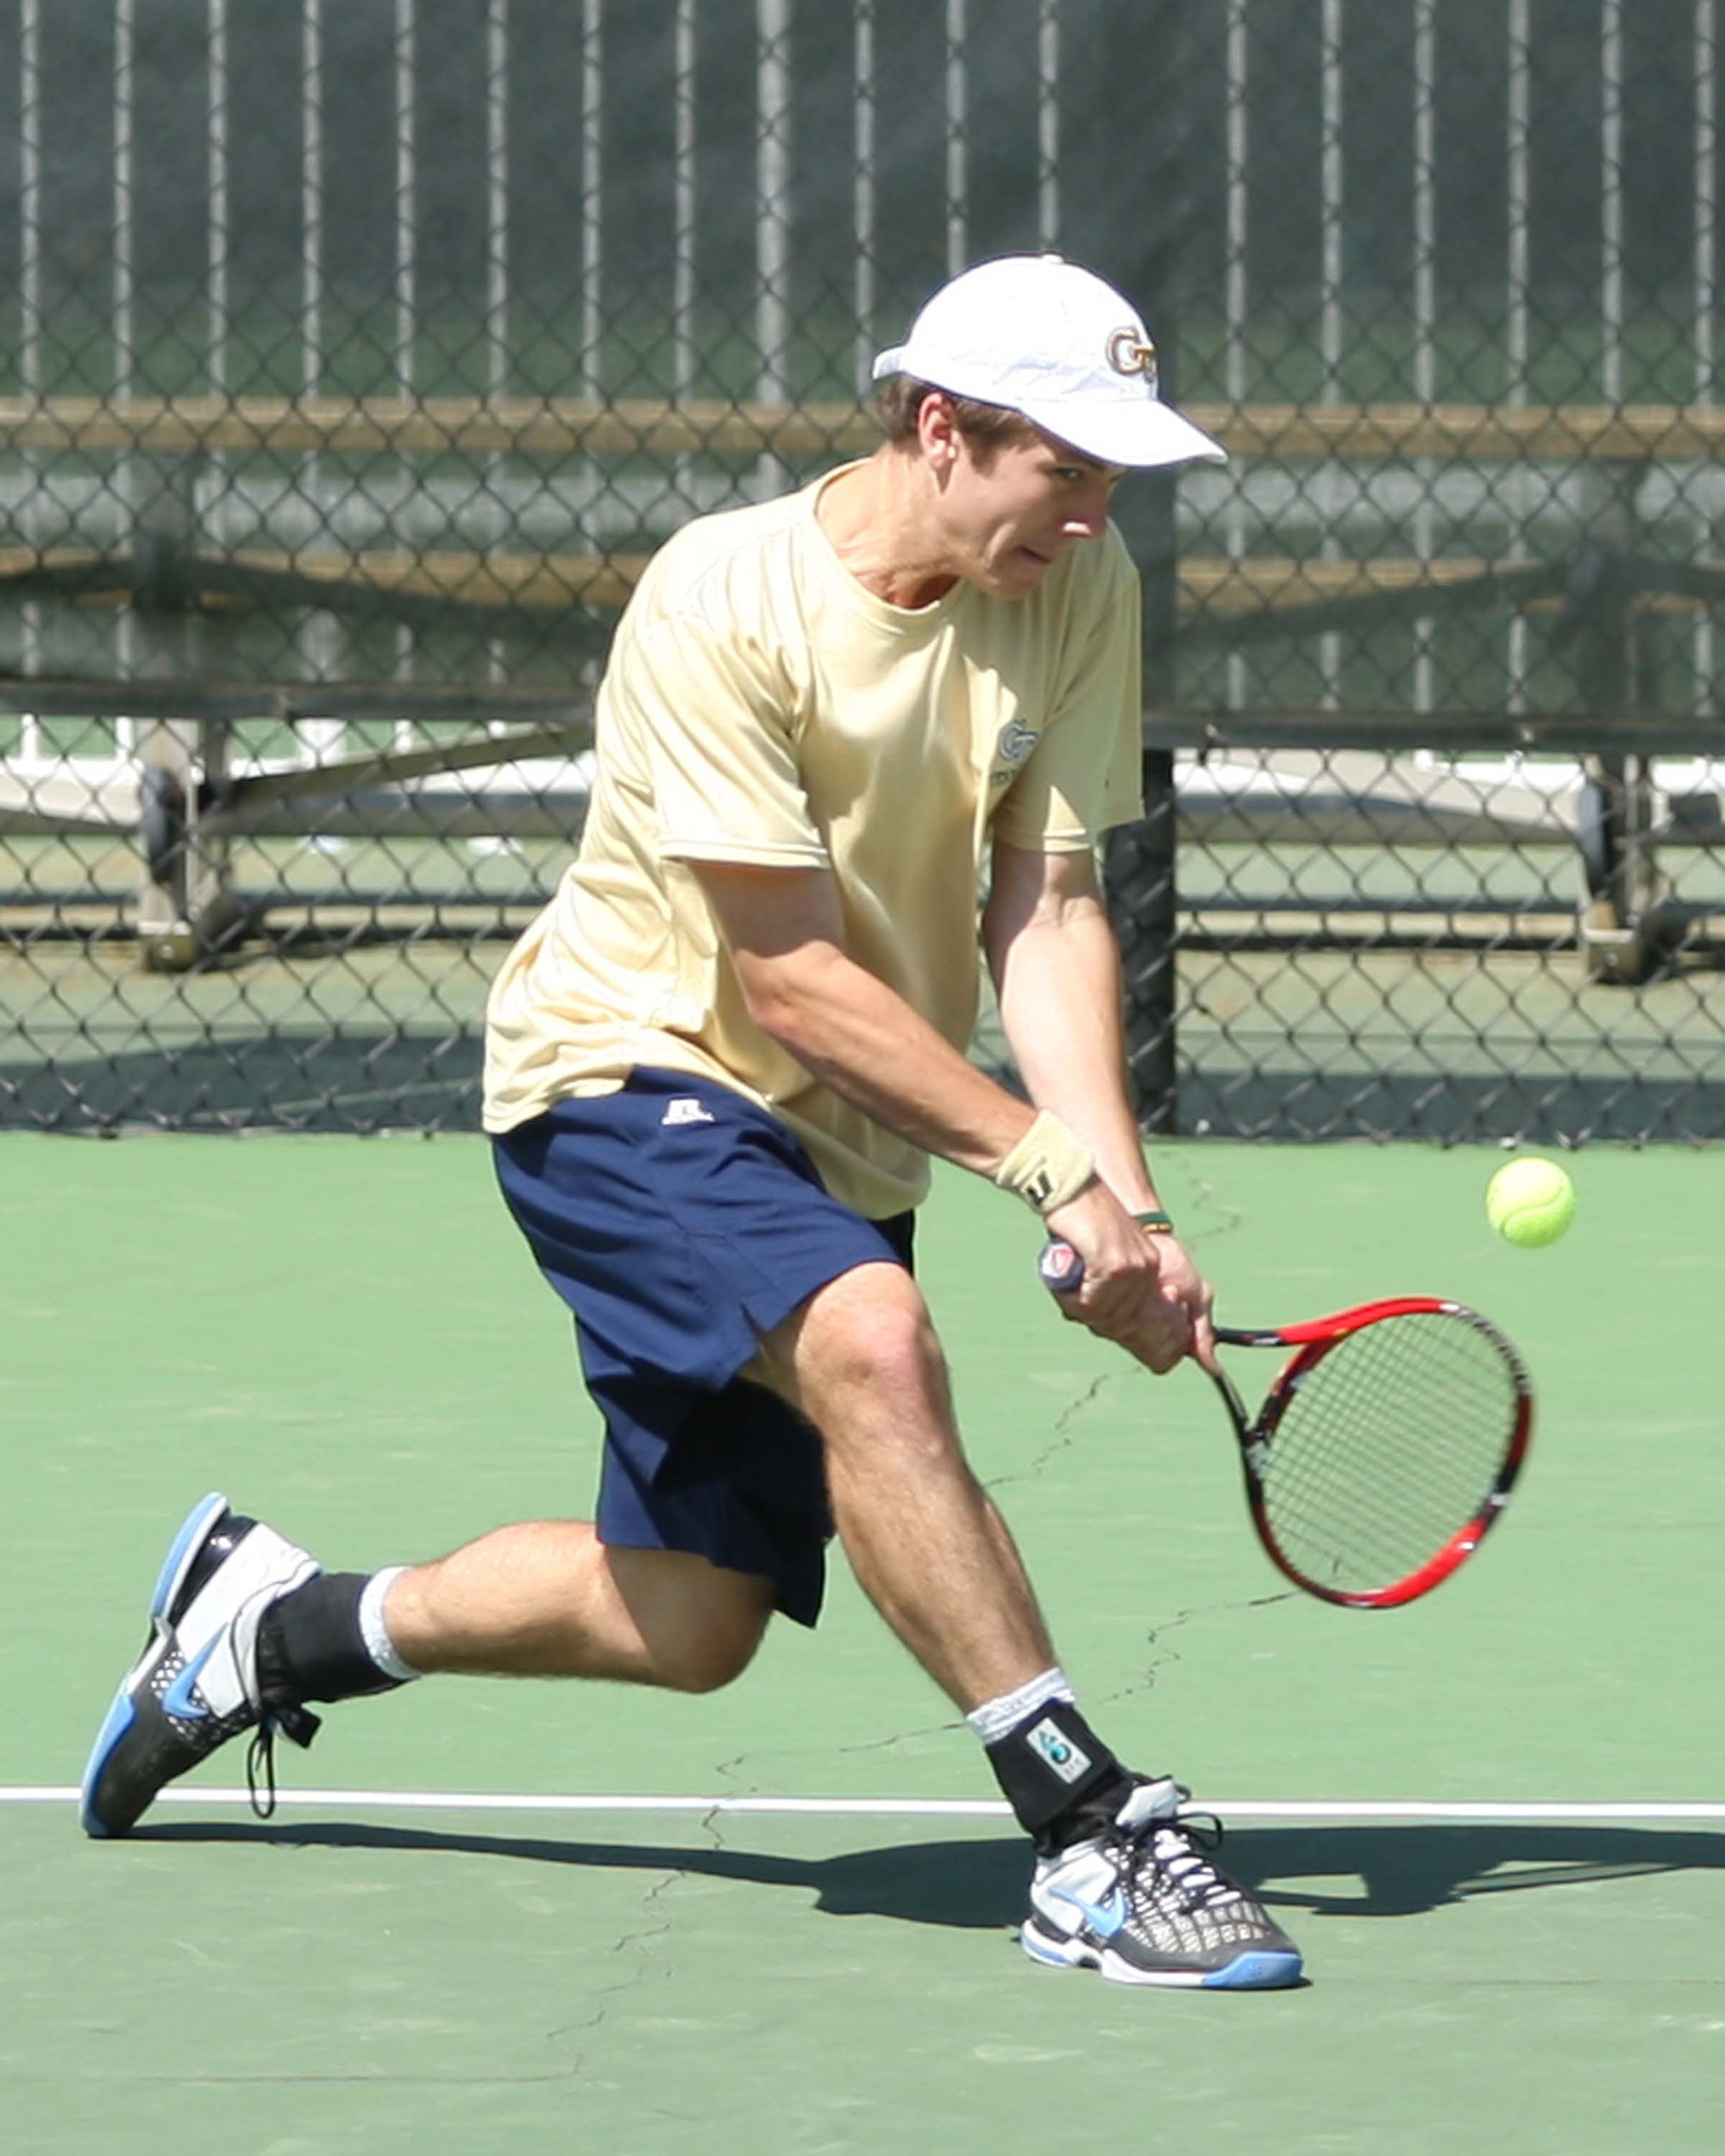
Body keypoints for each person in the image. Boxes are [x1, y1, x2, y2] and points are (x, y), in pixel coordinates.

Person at [80, 254, 1303, 1992]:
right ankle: (1087, 1827)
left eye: (1117, 476)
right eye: (1071, 467)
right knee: (873, 1337)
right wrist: (1035, 1162)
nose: (1099, 513)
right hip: (622, 1073)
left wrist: (1125, 1193)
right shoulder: (720, 596)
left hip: (838, 1139)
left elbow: (1044, 905)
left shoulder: (1069, 589)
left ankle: (271, 1626)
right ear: (940, 429)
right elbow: (790, 974)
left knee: (689, 1619)